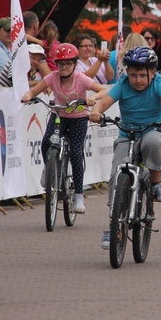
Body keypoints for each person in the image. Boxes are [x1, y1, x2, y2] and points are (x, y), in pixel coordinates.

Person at [89, 46, 161, 250]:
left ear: (152, 73)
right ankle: (113, 226)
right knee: (116, 175)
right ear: (127, 73)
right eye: (133, 74)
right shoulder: (123, 84)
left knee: (153, 142)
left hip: (151, 130)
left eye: (142, 75)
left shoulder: (158, 83)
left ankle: (155, 184)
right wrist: (95, 111)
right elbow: (104, 103)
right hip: (126, 134)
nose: (137, 79)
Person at [22, 43, 106, 214]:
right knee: (46, 141)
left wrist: (93, 98)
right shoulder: (52, 77)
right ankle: (48, 168)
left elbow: (103, 90)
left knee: (75, 153)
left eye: (68, 63)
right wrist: (27, 95)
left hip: (78, 118)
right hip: (59, 116)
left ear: (74, 64)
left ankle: (79, 196)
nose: (64, 67)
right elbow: (34, 91)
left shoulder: (81, 78)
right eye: (61, 64)